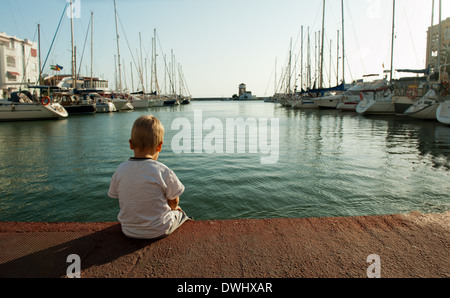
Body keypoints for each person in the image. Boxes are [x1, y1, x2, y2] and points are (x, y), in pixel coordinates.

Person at [108, 115, 190, 239]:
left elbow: (116, 194)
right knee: (180, 213)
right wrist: (173, 209)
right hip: (159, 230)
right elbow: (174, 200)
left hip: (128, 230)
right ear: (160, 146)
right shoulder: (163, 171)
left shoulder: (120, 170)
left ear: (130, 144)